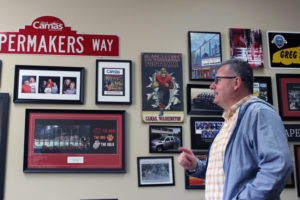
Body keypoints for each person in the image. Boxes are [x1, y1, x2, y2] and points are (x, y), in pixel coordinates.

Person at [178, 59, 293, 200]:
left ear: (236, 83)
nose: (212, 86)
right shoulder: (229, 120)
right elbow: (229, 173)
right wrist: (195, 165)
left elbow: (278, 165)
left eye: (218, 80)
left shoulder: (259, 112)